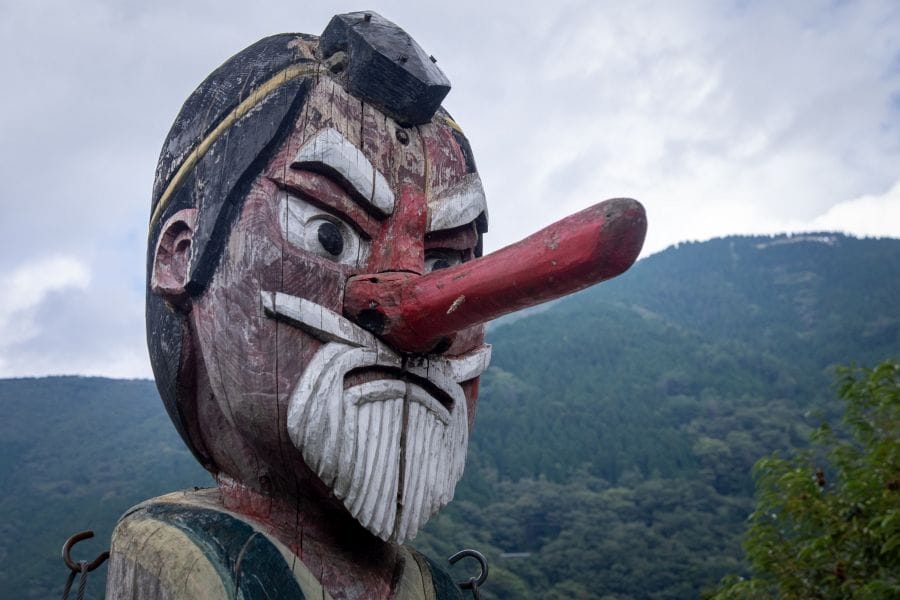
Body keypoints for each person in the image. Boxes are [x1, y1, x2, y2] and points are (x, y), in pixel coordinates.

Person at [107, 10, 646, 599]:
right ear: (181, 257)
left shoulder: (431, 585)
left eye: (446, 262)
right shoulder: (188, 563)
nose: (419, 313)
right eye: (328, 235)